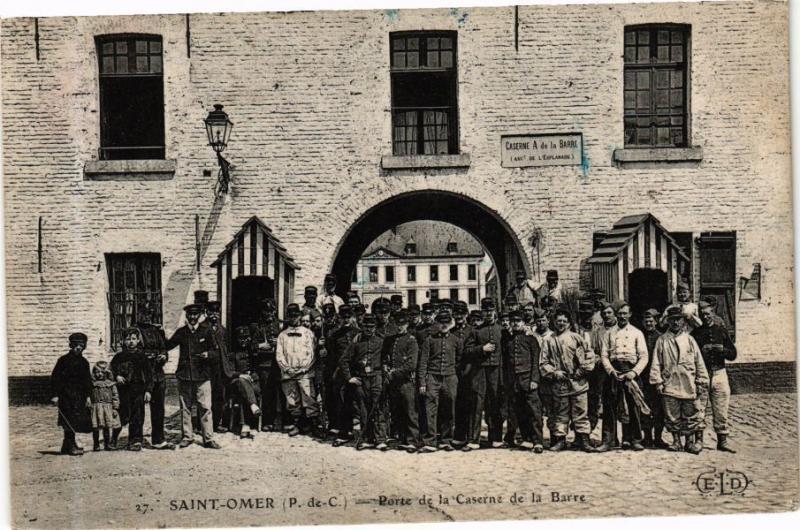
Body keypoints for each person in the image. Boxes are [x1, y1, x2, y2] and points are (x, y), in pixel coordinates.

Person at [650, 306, 709, 454]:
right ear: (668, 322)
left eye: (678, 319)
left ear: (683, 321)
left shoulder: (689, 340)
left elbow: (699, 362)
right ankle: (676, 441)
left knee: (691, 412)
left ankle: (690, 441)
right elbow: (656, 362)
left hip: (689, 382)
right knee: (672, 414)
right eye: (672, 320)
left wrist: (701, 380)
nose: (675, 323)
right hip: (670, 383)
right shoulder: (662, 340)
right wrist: (657, 381)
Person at [539, 309, 595, 452]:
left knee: (580, 411)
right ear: (554, 323)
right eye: (558, 321)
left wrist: (582, 370)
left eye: (564, 321)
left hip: (578, 382)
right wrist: (554, 372)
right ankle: (560, 440)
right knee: (560, 413)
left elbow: (589, 355)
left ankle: (583, 440)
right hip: (560, 383)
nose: (561, 324)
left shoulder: (577, 338)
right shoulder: (549, 341)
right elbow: (543, 362)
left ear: (569, 323)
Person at [596, 303, 649, 452]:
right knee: (610, 407)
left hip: (631, 371)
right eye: (619, 313)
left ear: (630, 314)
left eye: (625, 313)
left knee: (633, 406)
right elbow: (604, 355)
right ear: (616, 315)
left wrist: (634, 372)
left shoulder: (637, 332)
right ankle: (608, 440)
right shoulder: (609, 333)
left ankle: (634, 439)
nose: (622, 316)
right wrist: (611, 370)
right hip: (613, 372)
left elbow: (644, 356)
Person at [166, 303, 220, 449]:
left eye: (195, 315)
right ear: (187, 316)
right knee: (185, 407)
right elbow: (167, 345)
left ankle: (208, 438)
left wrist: (208, 354)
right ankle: (187, 436)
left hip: (202, 375)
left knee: (205, 407)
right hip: (185, 375)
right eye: (190, 314)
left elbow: (216, 352)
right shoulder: (181, 332)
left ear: (200, 315)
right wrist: (159, 333)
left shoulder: (207, 331)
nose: (192, 317)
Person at [691, 301, 738, 453]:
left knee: (721, 407)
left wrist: (722, 349)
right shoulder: (695, 334)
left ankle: (722, 441)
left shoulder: (721, 331)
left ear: (713, 314)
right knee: (699, 408)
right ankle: (699, 441)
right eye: (702, 315)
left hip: (719, 374)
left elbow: (733, 354)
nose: (705, 317)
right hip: (702, 375)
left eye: (708, 314)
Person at [341, 314, 388, 450]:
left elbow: (387, 357)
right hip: (361, 379)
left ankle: (380, 439)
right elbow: (344, 361)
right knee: (363, 409)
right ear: (362, 327)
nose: (369, 329)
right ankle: (366, 438)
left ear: (375, 328)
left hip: (376, 377)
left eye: (372, 327)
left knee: (378, 407)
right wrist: (350, 378)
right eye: (366, 327)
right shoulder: (356, 344)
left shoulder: (381, 341)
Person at [419, 310, 462, 452]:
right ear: (437, 323)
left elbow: (459, 360)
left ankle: (446, 440)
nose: (444, 325)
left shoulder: (456, 340)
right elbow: (423, 362)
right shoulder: (429, 340)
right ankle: (430, 441)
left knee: (449, 408)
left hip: (450, 377)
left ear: (450, 323)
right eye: (441, 322)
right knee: (430, 409)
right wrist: (422, 382)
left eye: (446, 322)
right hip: (432, 377)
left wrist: (453, 375)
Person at [464, 297, 504, 450]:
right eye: (486, 311)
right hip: (479, 371)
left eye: (491, 311)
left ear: (495, 311)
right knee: (477, 404)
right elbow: (467, 351)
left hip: (496, 371)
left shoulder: (502, 330)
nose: (488, 314)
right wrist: (482, 349)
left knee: (495, 403)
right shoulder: (476, 331)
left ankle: (496, 438)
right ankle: (474, 440)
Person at [276, 304, 321, 437]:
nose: (293, 318)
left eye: (296, 315)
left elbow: (312, 354)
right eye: (291, 316)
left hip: (305, 373)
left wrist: (303, 369)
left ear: (300, 317)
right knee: (292, 400)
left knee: (309, 398)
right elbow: (279, 354)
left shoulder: (308, 334)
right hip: (288, 373)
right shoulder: (282, 335)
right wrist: (287, 368)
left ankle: (313, 424)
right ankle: (297, 424)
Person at [503, 310, 544, 453]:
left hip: (528, 379)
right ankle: (526, 438)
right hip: (514, 380)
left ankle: (538, 441)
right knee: (519, 410)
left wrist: (534, 379)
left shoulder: (531, 340)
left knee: (534, 410)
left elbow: (535, 362)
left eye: (518, 321)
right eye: (513, 321)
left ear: (524, 323)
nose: (515, 324)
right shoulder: (508, 340)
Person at [135, 302, 173, 449]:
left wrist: (163, 356)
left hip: (157, 374)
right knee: (138, 408)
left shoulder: (157, 331)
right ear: (138, 314)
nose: (146, 316)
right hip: (141, 376)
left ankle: (158, 439)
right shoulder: (134, 331)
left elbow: (164, 348)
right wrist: (147, 357)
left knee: (158, 409)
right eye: (143, 313)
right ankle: (136, 439)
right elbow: (131, 352)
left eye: (149, 313)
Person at [384, 310, 421, 452]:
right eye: (398, 324)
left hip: (407, 381)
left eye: (403, 324)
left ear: (407, 324)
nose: (400, 327)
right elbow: (386, 358)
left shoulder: (411, 340)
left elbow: (411, 364)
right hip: (394, 382)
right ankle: (403, 438)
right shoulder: (390, 340)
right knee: (397, 410)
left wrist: (394, 372)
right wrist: (386, 368)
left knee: (410, 411)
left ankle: (413, 440)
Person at [111, 328, 153, 451]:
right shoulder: (118, 357)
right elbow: (111, 370)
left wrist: (148, 391)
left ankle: (135, 441)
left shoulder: (142, 357)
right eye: (128, 339)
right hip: (122, 391)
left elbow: (149, 375)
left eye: (133, 339)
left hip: (138, 390)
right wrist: (116, 376)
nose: (131, 342)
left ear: (138, 340)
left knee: (137, 416)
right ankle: (113, 439)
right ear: (123, 341)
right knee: (120, 415)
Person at [51, 333, 93, 456]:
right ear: (71, 345)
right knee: (67, 420)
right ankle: (70, 446)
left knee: (75, 420)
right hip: (66, 396)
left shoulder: (84, 362)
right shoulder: (63, 361)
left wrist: (88, 396)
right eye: (76, 345)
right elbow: (55, 378)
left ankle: (67, 446)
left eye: (81, 345)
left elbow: (87, 381)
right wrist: (55, 395)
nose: (78, 348)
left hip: (79, 397)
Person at [249, 298, 283, 432]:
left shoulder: (280, 326)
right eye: (266, 311)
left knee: (279, 393)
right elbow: (250, 345)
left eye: (271, 311)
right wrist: (262, 345)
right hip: (264, 365)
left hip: (279, 364)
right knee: (267, 393)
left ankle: (280, 421)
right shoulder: (256, 326)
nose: (269, 314)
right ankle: (267, 421)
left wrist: (278, 343)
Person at [330, 305, 360, 445]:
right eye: (344, 317)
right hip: (341, 372)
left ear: (353, 317)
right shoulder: (335, 335)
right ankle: (344, 431)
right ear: (339, 318)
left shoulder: (358, 333)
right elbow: (332, 355)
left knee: (359, 402)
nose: (346, 320)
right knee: (342, 402)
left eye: (348, 317)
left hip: (357, 371)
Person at [204, 301, 235, 434]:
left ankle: (216, 424)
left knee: (218, 397)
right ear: (207, 313)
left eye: (216, 312)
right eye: (211, 312)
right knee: (205, 398)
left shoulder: (222, 329)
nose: (214, 315)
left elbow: (226, 348)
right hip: (207, 368)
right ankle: (203, 425)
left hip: (220, 369)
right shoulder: (202, 328)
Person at [588, 302, 617, 436]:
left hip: (618, 369)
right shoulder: (598, 331)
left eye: (609, 313)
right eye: (604, 313)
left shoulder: (620, 329)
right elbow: (592, 350)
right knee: (604, 401)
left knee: (620, 403)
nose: (606, 316)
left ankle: (627, 437)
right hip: (601, 370)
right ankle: (608, 437)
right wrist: (597, 359)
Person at [228, 326, 262, 439]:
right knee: (241, 382)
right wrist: (241, 375)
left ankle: (245, 425)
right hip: (236, 383)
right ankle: (252, 408)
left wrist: (252, 376)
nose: (243, 341)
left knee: (244, 395)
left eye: (246, 338)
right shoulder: (233, 354)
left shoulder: (253, 352)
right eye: (241, 338)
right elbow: (230, 371)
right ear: (237, 339)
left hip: (252, 383)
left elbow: (257, 369)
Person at [640, 308, 667, 448]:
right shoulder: (639, 336)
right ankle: (647, 437)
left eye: (651, 321)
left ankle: (658, 437)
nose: (649, 323)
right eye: (646, 321)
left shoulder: (661, 337)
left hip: (657, 378)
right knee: (644, 407)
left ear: (656, 322)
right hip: (642, 378)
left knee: (659, 409)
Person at [529, 308, 556, 442]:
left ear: (548, 321)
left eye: (543, 320)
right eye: (538, 320)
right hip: (534, 376)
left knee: (551, 408)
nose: (540, 323)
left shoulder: (553, 336)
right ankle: (536, 437)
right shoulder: (531, 335)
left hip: (548, 377)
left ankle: (554, 437)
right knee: (535, 409)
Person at [450, 301, 474, 448]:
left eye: (461, 313)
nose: (459, 316)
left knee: (470, 405)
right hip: (455, 372)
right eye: (456, 314)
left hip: (470, 372)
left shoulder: (472, 331)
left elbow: (473, 354)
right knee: (458, 404)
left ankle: (471, 437)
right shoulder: (451, 332)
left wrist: (468, 370)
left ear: (466, 314)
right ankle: (459, 435)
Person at [90, 361, 120, 451]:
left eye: (102, 372)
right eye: (97, 372)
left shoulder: (111, 384)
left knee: (107, 426)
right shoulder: (92, 384)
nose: (99, 374)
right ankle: (96, 444)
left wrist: (115, 408)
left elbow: (115, 396)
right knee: (96, 427)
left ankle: (107, 444)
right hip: (96, 407)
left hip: (108, 407)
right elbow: (88, 394)